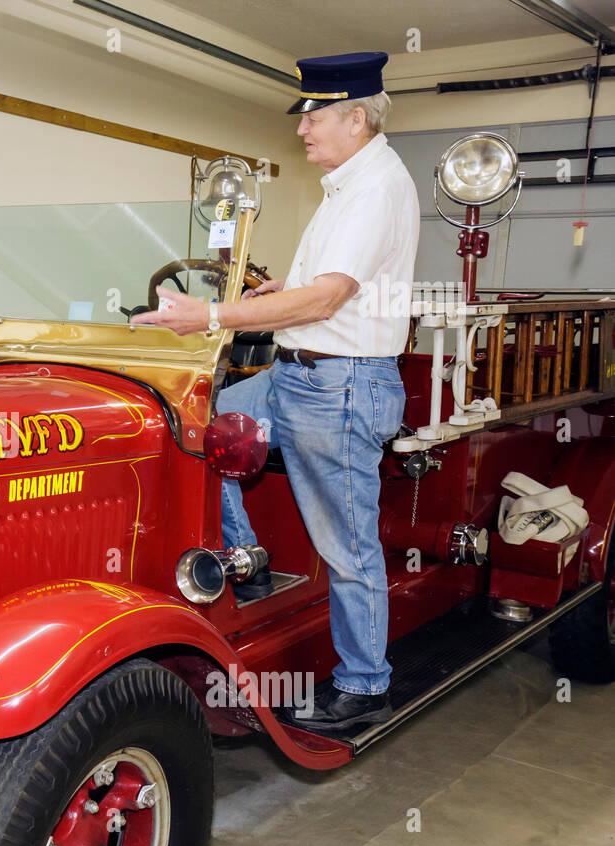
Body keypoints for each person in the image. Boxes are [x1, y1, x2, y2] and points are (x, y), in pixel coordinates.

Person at [132, 52, 419, 732]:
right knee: (196, 430)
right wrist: (276, 292)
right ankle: (248, 560)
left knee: (347, 545)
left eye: (315, 117)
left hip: (341, 385)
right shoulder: (347, 183)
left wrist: (207, 317)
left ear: (356, 117)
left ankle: (364, 685)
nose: (302, 131)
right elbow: (319, 287)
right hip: (298, 375)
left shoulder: (376, 187)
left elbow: (328, 300)